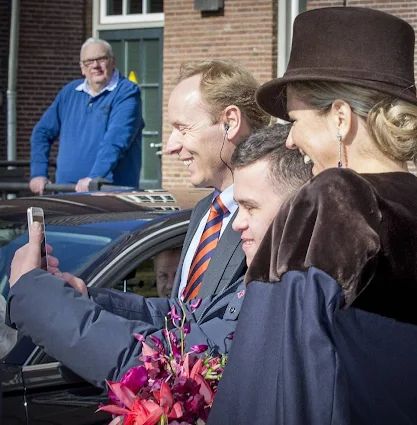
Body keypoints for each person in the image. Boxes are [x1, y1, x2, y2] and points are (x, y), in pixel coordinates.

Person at [206, 8, 417, 425]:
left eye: (294, 119)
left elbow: (268, 383)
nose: (289, 139)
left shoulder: (334, 201)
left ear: (340, 118)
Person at [6, 124, 312, 388]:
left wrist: (34, 296)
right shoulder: (268, 280)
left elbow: (168, 363)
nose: (237, 223)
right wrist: (86, 298)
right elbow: (185, 322)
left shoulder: (294, 299)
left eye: (251, 207)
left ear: (298, 210)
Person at [164, 60, 270, 301]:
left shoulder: (271, 220)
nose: (171, 146)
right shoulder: (203, 212)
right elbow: (180, 319)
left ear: (230, 122)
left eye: (183, 128)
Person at [29, 37, 144, 194]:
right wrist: (38, 173)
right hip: (67, 191)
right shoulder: (69, 93)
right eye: (89, 62)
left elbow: (116, 140)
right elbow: (41, 133)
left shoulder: (127, 92)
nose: (95, 66)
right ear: (82, 68)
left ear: (113, 61)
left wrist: (95, 177)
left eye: (101, 59)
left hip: (109, 193)